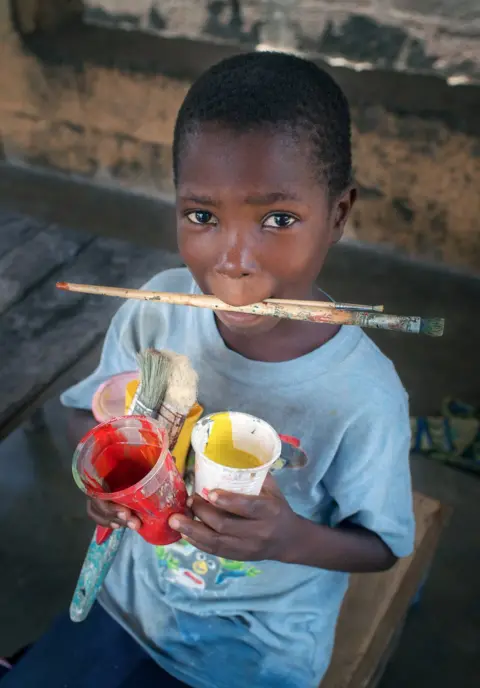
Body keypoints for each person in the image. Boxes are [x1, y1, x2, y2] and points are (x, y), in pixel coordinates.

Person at [2, 51, 414, 688]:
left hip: (254, 649)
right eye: (202, 216)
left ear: (337, 213)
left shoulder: (364, 395)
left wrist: (286, 539)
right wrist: (106, 487)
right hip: (128, 602)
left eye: (278, 219)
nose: (233, 260)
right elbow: (91, 413)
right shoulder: (153, 314)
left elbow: (381, 547)